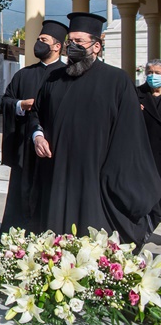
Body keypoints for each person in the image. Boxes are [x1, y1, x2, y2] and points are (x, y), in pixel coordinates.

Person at [31, 13, 161, 245]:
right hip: (58, 173)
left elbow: (130, 134)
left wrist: (113, 173)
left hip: (96, 176)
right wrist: (38, 135)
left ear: (97, 46)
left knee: (92, 242)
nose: (72, 46)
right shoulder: (53, 79)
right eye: (70, 41)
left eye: (79, 42)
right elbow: (36, 114)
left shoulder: (117, 81)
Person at [0, 20, 67, 236]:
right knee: (20, 198)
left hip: (53, 150)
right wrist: (20, 105)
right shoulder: (24, 74)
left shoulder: (67, 75)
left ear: (57, 46)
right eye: (38, 39)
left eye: (44, 40)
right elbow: (6, 101)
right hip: (25, 151)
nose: (38, 43)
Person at [137, 59, 161, 231]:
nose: (153, 76)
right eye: (150, 72)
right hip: (147, 154)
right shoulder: (137, 94)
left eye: (157, 73)